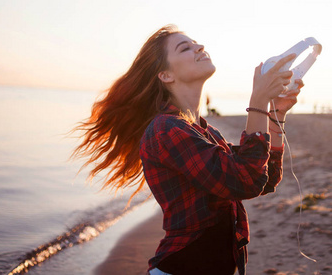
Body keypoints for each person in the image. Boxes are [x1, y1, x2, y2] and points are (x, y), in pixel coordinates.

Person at [71, 25, 303, 275]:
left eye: (196, 43)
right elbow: (246, 180)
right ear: (166, 75)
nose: (199, 47)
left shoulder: (203, 131)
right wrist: (257, 101)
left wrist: (275, 114)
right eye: (185, 47)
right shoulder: (165, 130)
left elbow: (264, 177)